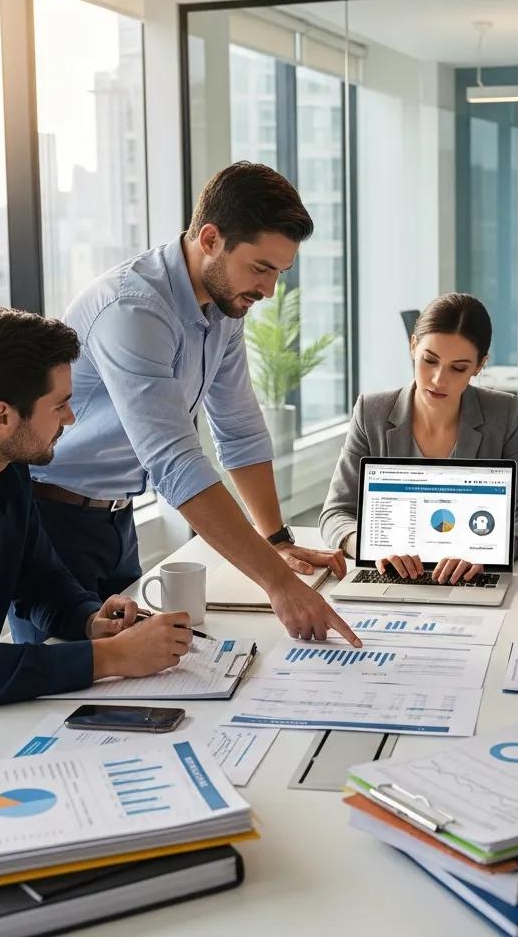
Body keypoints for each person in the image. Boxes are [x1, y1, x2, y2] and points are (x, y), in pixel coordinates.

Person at [25, 162, 359, 648]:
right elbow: (175, 461)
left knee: (132, 681)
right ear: (210, 238)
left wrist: (278, 541)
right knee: (61, 696)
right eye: (261, 268)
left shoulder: (225, 306)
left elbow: (239, 427)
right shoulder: (134, 308)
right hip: (53, 524)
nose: (269, 290)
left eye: (279, 273)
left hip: (117, 520)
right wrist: (279, 585)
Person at [0, 306, 191, 736]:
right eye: (59, 405)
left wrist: (90, 620)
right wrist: (110, 657)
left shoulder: (8, 471)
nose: (71, 418)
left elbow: (39, 581)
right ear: (1, 417)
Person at [320, 293, 518, 582]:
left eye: (458, 368)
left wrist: (490, 552)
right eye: (429, 360)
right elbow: (335, 514)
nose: (439, 379)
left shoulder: (501, 412)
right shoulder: (372, 412)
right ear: (413, 346)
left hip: (469, 578)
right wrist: (371, 548)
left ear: (479, 366)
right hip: (392, 576)